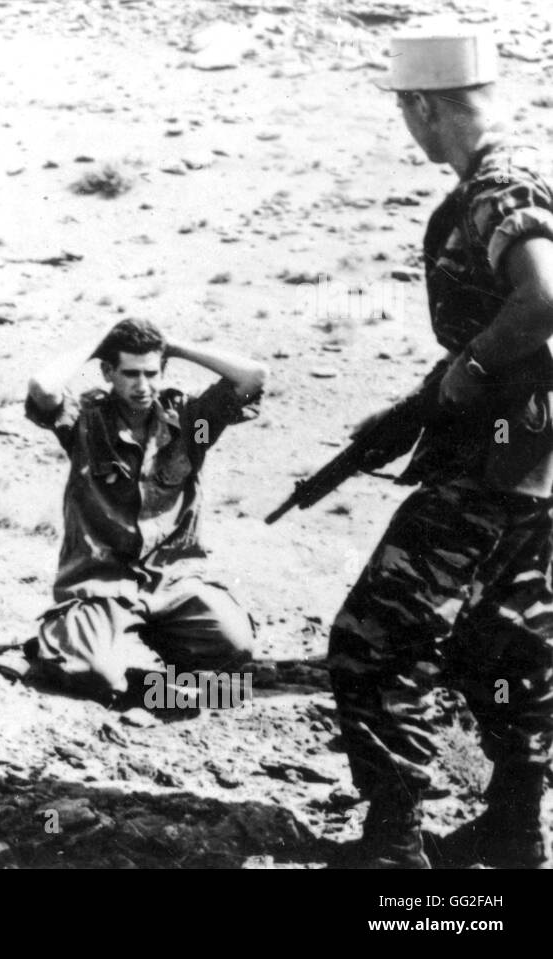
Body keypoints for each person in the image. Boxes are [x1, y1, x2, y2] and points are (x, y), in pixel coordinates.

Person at [328, 24, 553, 869]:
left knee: (372, 639)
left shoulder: (498, 189)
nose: (406, 127)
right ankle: (516, 824)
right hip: (533, 466)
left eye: (405, 111)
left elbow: (542, 301)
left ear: (425, 108)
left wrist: (472, 365)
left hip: (496, 467)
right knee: (509, 638)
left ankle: (394, 842)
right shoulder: (526, 173)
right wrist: (418, 402)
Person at [24, 318, 267, 708]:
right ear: (107, 372)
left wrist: (175, 346)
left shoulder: (194, 424)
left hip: (172, 580)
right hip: (101, 581)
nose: (143, 385)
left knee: (234, 647)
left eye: (151, 373)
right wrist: (98, 342)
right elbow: (43, 388)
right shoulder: (85, 422)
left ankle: (142, 671)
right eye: (131, 374)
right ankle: (73, 643)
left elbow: (253, 377)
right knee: (92, 676)